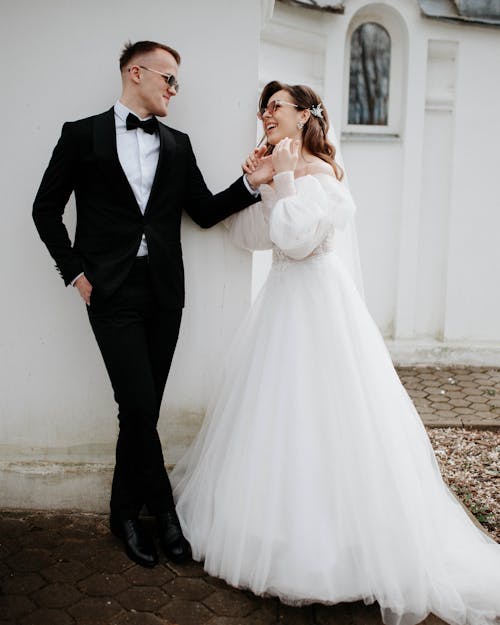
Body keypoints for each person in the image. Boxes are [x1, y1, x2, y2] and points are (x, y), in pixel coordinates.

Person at [171, 81, 500, 625]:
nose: (266, 114)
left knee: (330, 419)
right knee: (280, 421)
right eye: (264, 107)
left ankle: (342, 545)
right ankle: (276, 531)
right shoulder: (285, 174)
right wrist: (256, 184)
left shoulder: (324, 177)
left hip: (320, 308)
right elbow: (254, 237)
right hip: (281, 306)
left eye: (276, 107)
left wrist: (279, 178)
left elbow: (298, 239)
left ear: (304, 117)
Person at [32, 40, 263, 568]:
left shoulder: (177, 145)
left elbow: (203, 212)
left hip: (164, 292)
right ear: (136, 73)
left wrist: (252, 183)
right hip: (109, 291)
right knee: (137, 406)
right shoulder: (81, 135)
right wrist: (76, 274)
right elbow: (45, 210)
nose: (174, 91)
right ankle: (165, 515)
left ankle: (123, 513)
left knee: (141, 412)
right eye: (169, 79)